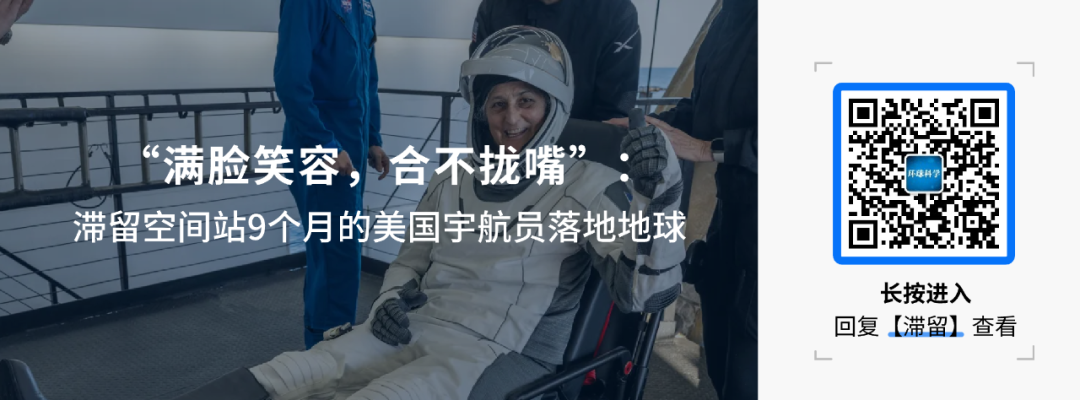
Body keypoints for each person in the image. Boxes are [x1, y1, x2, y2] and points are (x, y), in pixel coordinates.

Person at [168, 25, 684, 400]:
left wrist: (658, 194)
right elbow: (410, 261)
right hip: (414, 325)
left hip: (495, 350)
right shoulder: (452, 179)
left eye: (527, 101)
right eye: (497, 103)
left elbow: (646, 294)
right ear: (481, 112)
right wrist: (388, 299)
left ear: (552, 108)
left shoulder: (588, 184)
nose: (511, 118)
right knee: (286, 376)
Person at [607, 0, 758, 398]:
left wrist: (708, 149)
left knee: (751, 376)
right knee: (722, 367)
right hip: (730, 220)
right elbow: (704, 107)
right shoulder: (730, 15)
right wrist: (651, 128)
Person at [275, 0, 391, 350]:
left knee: (338, 254)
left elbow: (368, 77)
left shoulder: (364, 6)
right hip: (320, 151)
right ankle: (326, 354)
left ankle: (330, 349)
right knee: (335, 257)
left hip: (351, 150)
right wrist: (323, 143)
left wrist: (372, 137)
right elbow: (291, 80)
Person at [470, 0, 641, 122]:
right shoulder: (494, 7)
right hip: (505, 143)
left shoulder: (616, 12)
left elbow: (615, 110)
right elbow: (480, 88)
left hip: (585, 145)